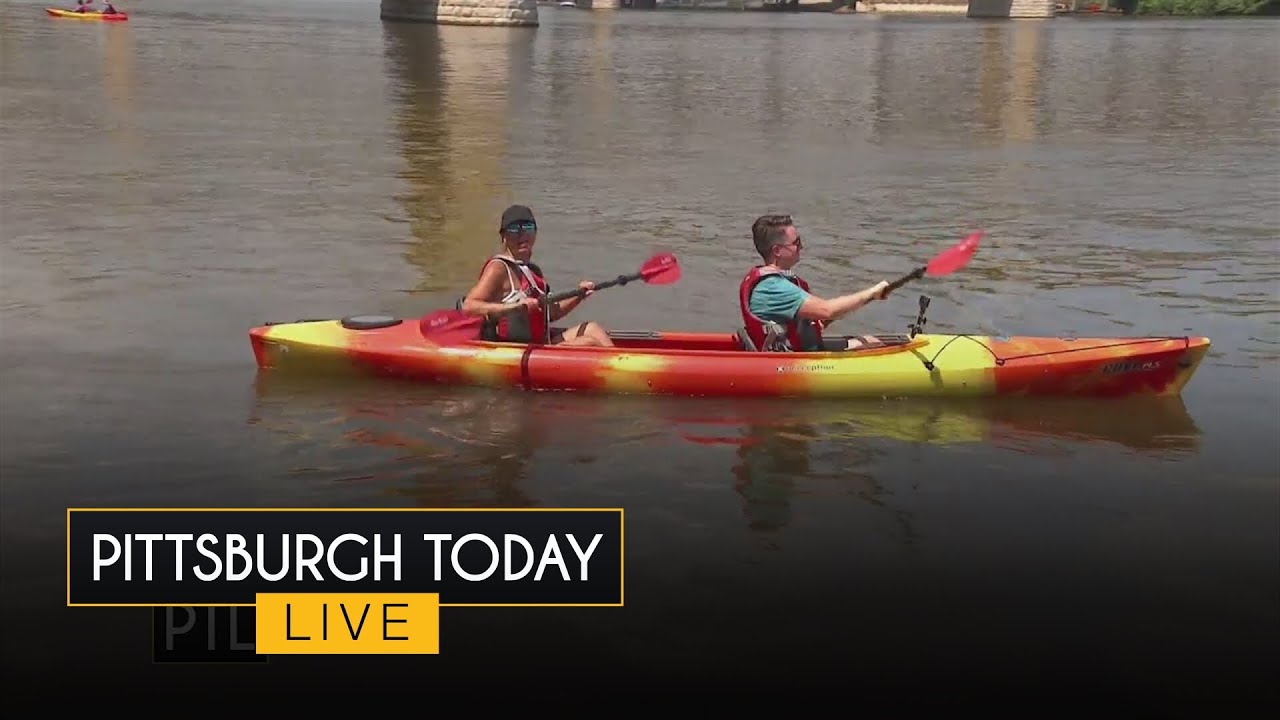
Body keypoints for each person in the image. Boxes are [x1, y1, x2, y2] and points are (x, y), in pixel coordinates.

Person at [459, 205, 615, 348]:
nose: (522, 234)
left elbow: (552, 313)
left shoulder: (533, 271)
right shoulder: (499, 268)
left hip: (538, 343)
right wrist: (513, 307)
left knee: (592, 329)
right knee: (588, 342)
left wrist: (579, 295)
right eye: (514, 229)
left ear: (535, 232)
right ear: (504, 236)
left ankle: (626, 367)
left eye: (528, 227)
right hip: (513, 349)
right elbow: (469, 307)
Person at [739, 213, 891, 353]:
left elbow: (822, 318)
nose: (801, 247)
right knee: (874, 347)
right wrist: (872, 292)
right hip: (791, 362)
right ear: (777, 251)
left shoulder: (778, 281)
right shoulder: (773, 288)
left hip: (797, 350)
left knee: (871, 342)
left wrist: (869, 298)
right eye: (796, 243)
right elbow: (827, 310)